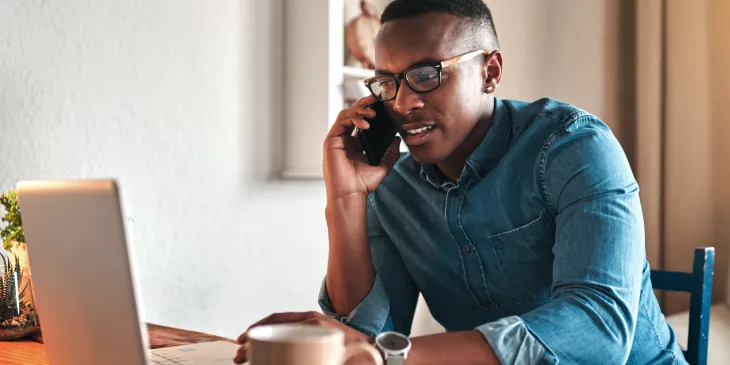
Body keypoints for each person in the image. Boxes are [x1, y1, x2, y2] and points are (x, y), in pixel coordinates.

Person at [235, 0, 687, 364]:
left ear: (490, 72)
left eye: (427, 75)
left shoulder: (573, 146)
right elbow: (362, 341)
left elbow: (599, 331)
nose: (403, 102)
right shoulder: (394, 187)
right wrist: (346, 198)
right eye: (387, 81)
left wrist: (380, 354)